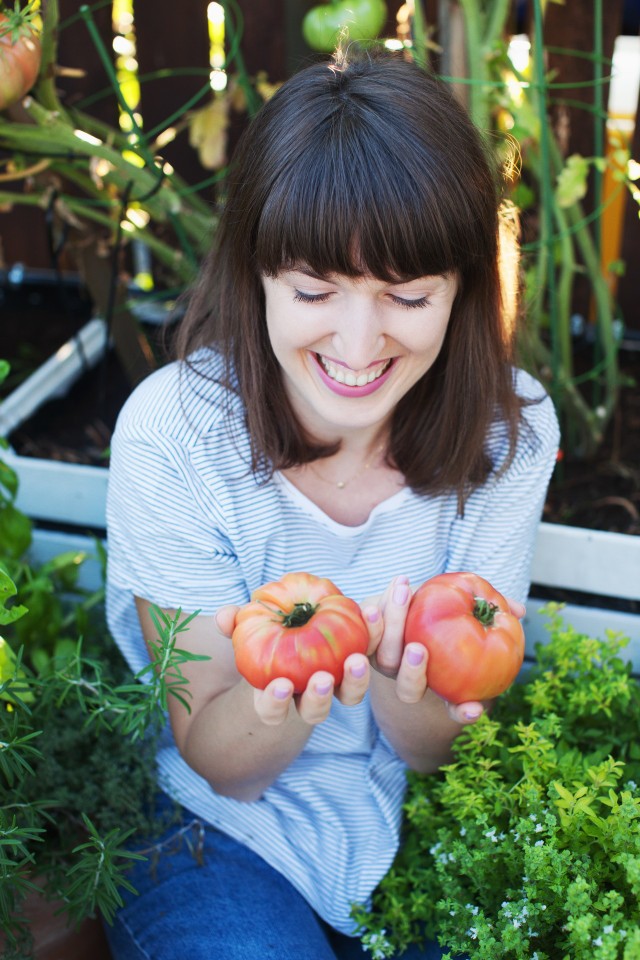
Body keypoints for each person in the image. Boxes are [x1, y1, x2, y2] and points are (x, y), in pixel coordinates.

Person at [104, 47, 560, 960]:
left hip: (407, 828)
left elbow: (435, 755)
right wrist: (293, 707)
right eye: (315, 291)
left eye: (408, 296)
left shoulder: (511, 438)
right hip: (220, 832)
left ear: (464, 291)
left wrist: (405, 693)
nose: (359, 343)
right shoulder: (176, 434)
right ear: (259, 276)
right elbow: (217, 760)